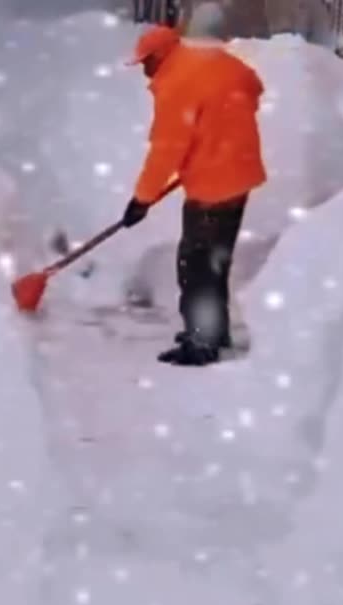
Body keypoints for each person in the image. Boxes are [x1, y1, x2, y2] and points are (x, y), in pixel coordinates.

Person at [122, 25, 268, 367]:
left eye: (146, 63)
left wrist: (141, 199)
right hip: (240, 173)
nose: (145, 71)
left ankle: (201, 342)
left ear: (160, 55)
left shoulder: (176, 84)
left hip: (212, 185)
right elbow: (252, 86)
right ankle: (213, 331)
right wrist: (221, 127)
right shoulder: (212, 60)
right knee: (215, 261)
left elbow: (165, 152)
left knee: (196, 263)